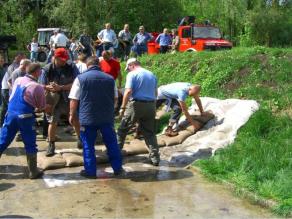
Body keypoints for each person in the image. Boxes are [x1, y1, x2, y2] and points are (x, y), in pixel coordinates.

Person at [69, 56, 123, 178]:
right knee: (112, 143)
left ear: (87, 65)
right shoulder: (110, 79)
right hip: (107, 118)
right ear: (99, 65)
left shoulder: (80, 78)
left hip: (87, 118)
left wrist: (72, 114)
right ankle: (118, 169)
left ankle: (90, 172)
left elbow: (74, 99)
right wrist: (111, 110)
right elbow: (115, 98)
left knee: (88, 145)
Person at [0, 63, 49, 179]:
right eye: (40, 72)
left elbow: (13, 95)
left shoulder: (18, 80)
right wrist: (47, 107)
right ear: (37, 72)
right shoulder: (37, 87)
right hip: (25, 117)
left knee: (3, 140)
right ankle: (33, 171)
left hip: (11, 114)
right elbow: (41, 106)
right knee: (30, 143)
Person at [117, 58, 160, 166]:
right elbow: (155, 93)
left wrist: (122, 107)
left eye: (128, 68)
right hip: (150, 105)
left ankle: (115, 153)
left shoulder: (132, 74)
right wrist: (153, 107)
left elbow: (128, 91)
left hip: (136, 105)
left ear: (132, 65)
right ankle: (155, 158)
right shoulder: (151, 74)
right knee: (149, 133)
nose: (128, 70)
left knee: (123, 129)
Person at [40, 48, 81, 157]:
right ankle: (51, 144)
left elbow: (78, 82)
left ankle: (80, 140)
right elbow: (41, 85)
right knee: (52, 122)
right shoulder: (46, 69)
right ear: (55, 57)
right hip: (53, 100)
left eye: (65, 59)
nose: (64, 61)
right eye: (62, 59)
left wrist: (61, 87)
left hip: (69, 98)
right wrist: (49, 87)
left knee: (75, 119)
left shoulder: (72, 67)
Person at [0, 52, 25, 126]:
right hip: (7, 89)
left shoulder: (14, 66)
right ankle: (8, 125)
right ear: (16, 57)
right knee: (10, 107)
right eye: (21, 57)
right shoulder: (13, 66)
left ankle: (3, 124)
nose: (22, 59)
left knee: (5, 107)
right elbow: (12, 80)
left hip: (6, 88)